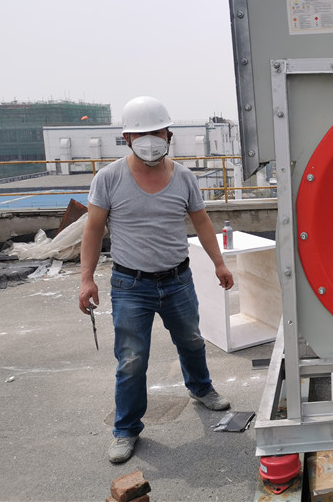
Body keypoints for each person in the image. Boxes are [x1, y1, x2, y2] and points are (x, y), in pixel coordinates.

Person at [78, 96, 235, 464]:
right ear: (127, 139)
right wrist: (86, 279)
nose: (150, 141)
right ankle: (126, 429)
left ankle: (201, 389)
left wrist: (219, 263)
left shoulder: (184, 177)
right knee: (131, 359)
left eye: (157, 133)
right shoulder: (108, 179)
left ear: (169, 135)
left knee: (192, 341)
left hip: (178, 280)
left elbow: (201, 222)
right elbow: (93, 229)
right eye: (141, 134)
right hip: (131, 285)